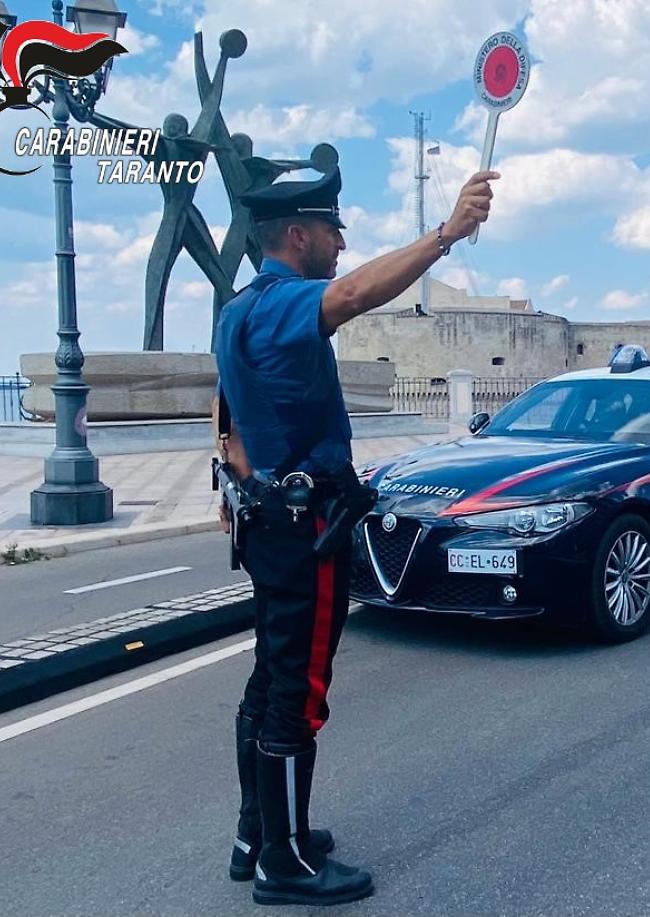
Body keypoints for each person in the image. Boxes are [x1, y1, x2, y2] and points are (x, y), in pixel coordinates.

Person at [213, 151, 498, 908]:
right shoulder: (283, 302)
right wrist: (445, 235)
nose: (342, 244)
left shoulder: (236, 308)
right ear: (300, 235)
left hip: (268, 521)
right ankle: (285, 863)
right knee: (296, 692)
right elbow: (350, 295)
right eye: (333, 231)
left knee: (266, 681)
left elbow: (228, 416)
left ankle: (257, 833)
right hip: (305, 531)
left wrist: (235, 476)